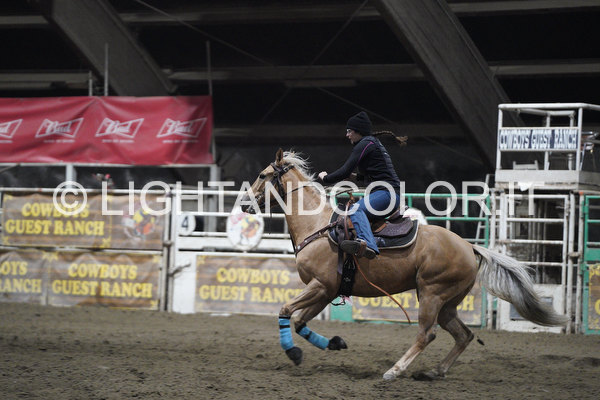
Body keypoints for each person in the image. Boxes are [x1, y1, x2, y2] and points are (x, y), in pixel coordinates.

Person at [318, 111, 403, 259]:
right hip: (388, 193)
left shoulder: (366, 143)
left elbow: (345, 169)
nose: (347, 135)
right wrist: (355, 177)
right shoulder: (371, 143)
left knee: (355, 209)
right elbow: (374, 176)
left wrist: (326, 178)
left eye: (349, 131)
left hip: (387, 194)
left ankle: (369, 245)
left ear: (358, 131)